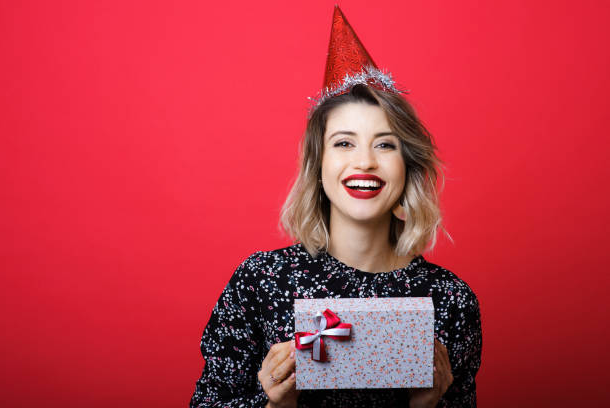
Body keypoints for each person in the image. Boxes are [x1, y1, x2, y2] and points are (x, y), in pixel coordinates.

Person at [190, 6, 482, 408]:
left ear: (407, 166)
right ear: (319, 164)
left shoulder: (451, 300)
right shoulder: (260, 282)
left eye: (385, 144)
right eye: (344, 143)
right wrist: (273, 405)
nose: (364, 162)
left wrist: (427, 406)